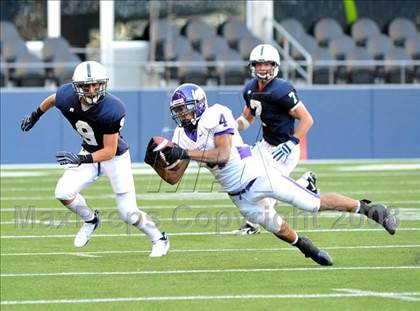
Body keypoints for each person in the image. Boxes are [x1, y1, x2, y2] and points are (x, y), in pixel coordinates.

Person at [145, 83, 397, 266]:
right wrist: (155, 163)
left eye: (185, 109)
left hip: (257, 175)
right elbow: (173, 178)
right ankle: (307, 248)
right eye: (177, 110)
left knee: (311, 204)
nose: (182, 115)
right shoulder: (180, 135)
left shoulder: (216, 114)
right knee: (275, 226)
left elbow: (222, 155)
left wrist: (184, 153)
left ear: (199, 105)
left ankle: (373, 210)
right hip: (236, 194)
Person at [21, 60, 169, 257]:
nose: (91, 90)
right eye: (86, 86)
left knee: (127, 212)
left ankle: (160, 239)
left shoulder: (112, 108)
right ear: (76, 87)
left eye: (96, 85)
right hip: (89, 151)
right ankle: (91, 220)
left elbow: (109, 150)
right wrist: (35, 115)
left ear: (103, 84)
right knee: (63, 192)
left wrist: (81, 159)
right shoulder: (67, 96)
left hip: (115, 157)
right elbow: (52, 99)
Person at [234, 43, 318, 235]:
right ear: (252, 66)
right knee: (246, 179)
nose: (262, 68)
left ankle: (252, 224)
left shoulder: (282, 89)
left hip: (284, 149)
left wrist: (292, 142)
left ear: (275, 66)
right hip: (264, 146)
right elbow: (248, 118)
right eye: (258, 64)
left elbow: (307, 119)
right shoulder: (249, 89)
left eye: (267, 64)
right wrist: (233, 125)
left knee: (267, 190)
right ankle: (306, 183)